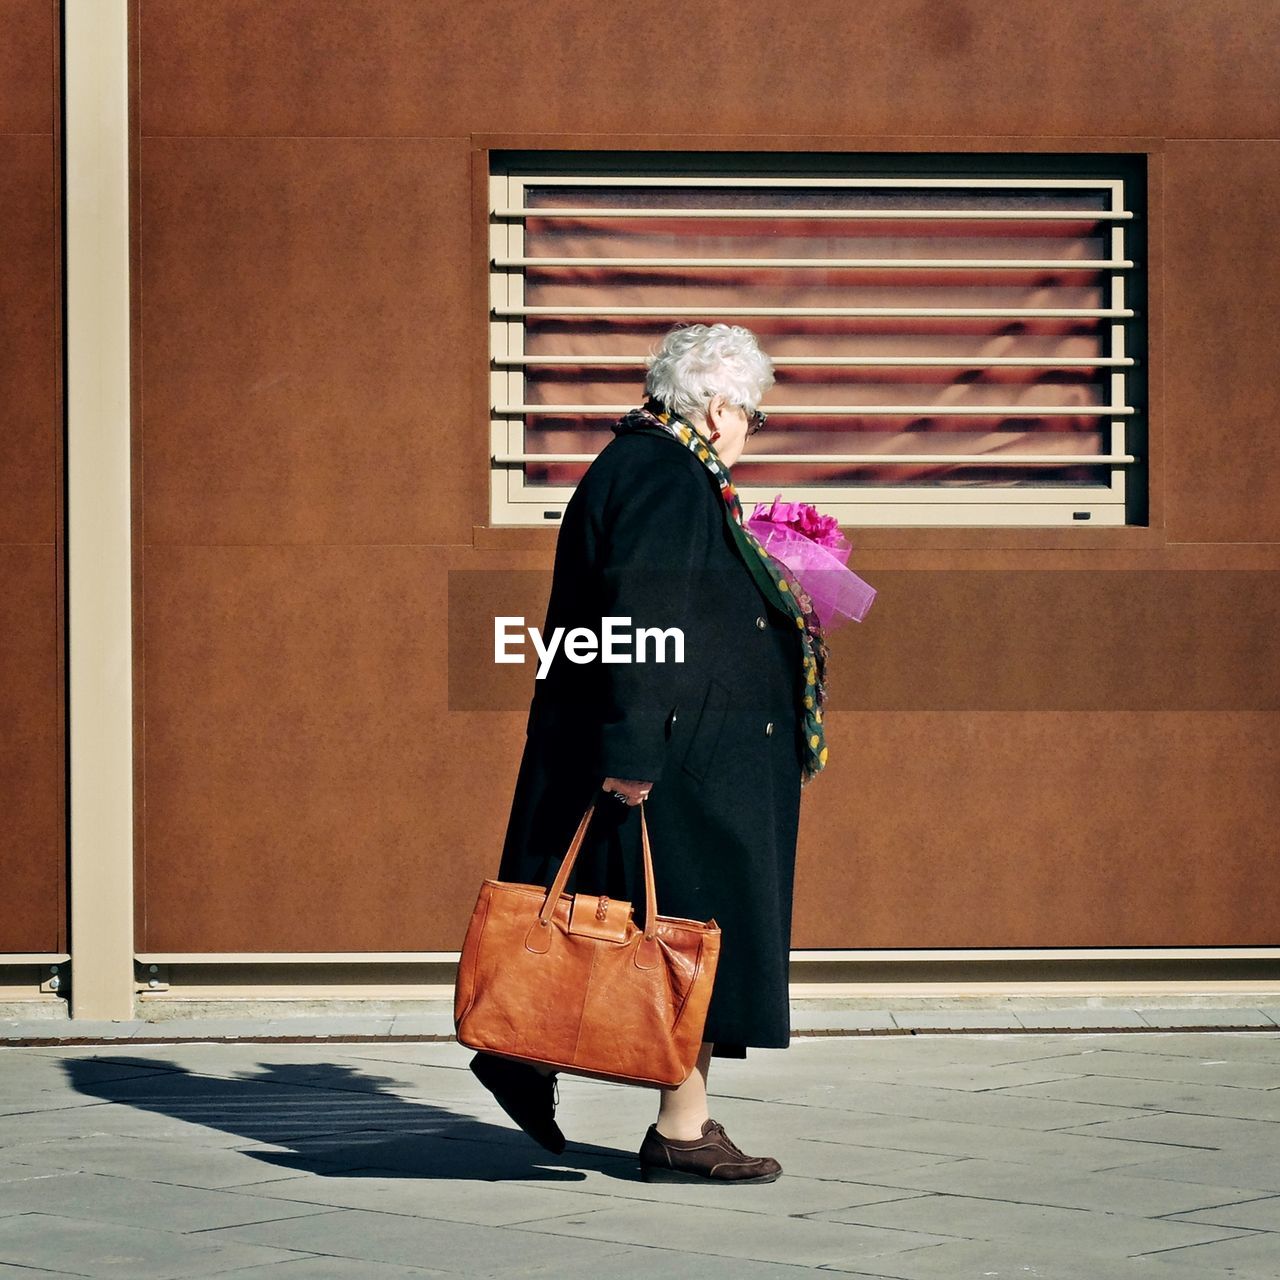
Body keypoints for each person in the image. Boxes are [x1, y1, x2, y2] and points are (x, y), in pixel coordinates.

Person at [470, 323, 830, 1184]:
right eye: (753, 415)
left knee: (676, 933)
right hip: (682, 761)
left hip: (688, 752)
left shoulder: (655, 469)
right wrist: (634, 750)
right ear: (716, 405)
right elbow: (641, 618)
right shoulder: (666, 477)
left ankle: (665, 1113)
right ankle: (647, 1111)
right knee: (685, 935)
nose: (751, 431)